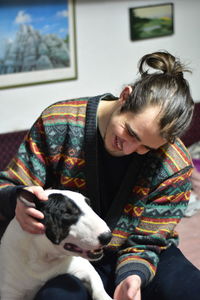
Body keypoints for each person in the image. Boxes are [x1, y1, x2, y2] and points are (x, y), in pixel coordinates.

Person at [0, 50, 200, 300]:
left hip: (136, 252)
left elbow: (150, 238)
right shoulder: (58, 122)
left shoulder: (174, 163)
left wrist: (133, 275)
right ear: (125, 97)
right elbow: (9, 185)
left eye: (146, 148)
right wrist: (16, 202)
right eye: (129, 133)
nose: (129, 150)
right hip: (66, 254)